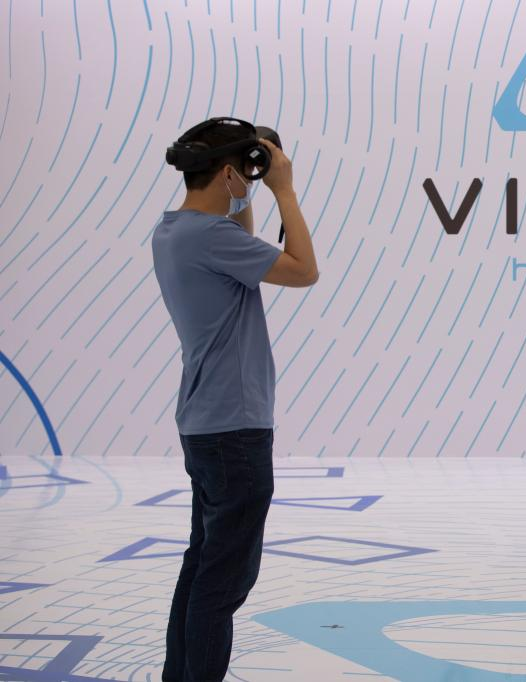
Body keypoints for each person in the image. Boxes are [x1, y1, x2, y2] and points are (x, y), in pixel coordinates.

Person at [152, 117, 318, 681]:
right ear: (228, 173)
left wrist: (245, 191)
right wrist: (283, 190)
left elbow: (238, 238)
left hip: (206, 425)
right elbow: (304, 270)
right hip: (235, 431)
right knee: (223, 583)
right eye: (243, 172)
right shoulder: (212, 239)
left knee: (202, 567)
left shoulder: (175, 231)